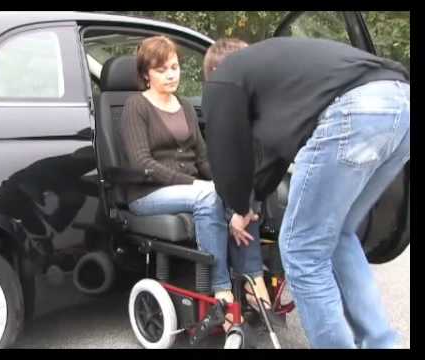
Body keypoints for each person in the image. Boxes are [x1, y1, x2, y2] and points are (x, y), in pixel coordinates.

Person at [202, 37, 409, 348]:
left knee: (301, 249)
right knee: (339, 233)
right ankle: (383, 343)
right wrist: (250, 202)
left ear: (215, 70)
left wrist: (236, 208)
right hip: (400, 103)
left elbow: (226, 152)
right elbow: (276, 156)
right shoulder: (277, 73)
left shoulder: (223, 78)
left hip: (353, 111)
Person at [120, 36, 275, 332]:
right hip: (147, 193)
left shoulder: (186, 108)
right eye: (162, 69)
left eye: (175, 67)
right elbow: (142, 163)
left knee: (239, 191)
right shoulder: (135, 106)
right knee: (208, 196)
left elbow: (204, 159)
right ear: (145, 74)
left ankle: (255, 281)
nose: (171, 74)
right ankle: (222, 291)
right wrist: (198, 185)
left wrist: (228, 186)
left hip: (192, 189)